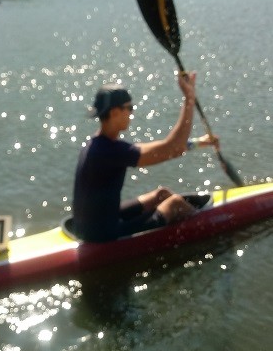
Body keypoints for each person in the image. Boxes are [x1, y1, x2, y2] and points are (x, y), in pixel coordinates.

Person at [72, 72, 218, 242]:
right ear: (115, 112)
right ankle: (208, 230)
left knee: (161, 195)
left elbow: (163, 149)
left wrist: (200, 143)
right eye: (129, 108)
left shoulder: (99, 144)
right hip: (101, 235)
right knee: (175, 203)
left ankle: (189, 222)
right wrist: (189, 99)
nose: (131, 113)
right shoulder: (111, 151)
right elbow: (173, 148)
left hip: (91, 224)